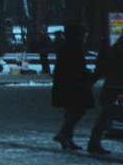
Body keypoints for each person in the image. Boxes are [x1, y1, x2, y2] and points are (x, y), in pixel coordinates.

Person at [51, 23, 94, 151]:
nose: (86, 36)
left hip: (67, 84)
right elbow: (76, 66)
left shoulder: (68, 45)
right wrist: (86, 74)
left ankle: (67, 138)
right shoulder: (74, 47)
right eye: (84, 33)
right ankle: (64, 134)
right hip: (74, 84)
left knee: (72, 109)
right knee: (78, 109)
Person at [85, 35, 123, 156]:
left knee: (104, 117)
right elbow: (118, 72)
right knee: (107, 116)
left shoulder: (115, 49)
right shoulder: (119, 52)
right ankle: (94, 143)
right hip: (116, 88)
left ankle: (93, 143)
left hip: (111, 88)